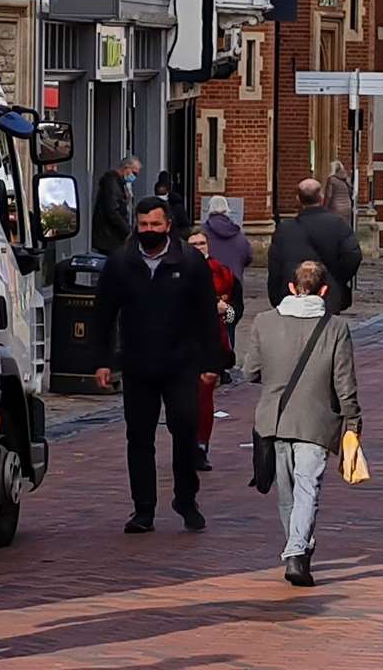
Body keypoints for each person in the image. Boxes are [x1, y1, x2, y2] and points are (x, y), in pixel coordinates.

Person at [93, 197, 223, 534]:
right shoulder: (121, 263)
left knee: (184, 430)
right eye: (143, 225)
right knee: (139, 437)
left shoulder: (190, 261)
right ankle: (143, 509)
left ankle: (185, 497)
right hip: (137, 362)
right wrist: (103, 362)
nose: (149, 231)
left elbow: (207, 315)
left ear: (168, 225)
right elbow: (104, 315)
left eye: (155, 225)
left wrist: (211, 363)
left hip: (181, 362)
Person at [243, 259, 362, 587]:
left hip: (274, 420)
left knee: (287, 492)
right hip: (317, 419)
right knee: (308, 488)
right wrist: (353, 421)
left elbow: (249, 372)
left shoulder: (264, 322)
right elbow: (344, 383)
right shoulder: (335, 328)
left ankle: (297, 548)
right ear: (324, 291)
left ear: (291, 288)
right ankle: (297, 551)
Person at [186, 229, 239, 472]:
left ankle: (200, 446)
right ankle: (185, 443)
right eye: (194, 244)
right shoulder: (177, 271)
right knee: (185, 397)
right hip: (183, 342)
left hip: (212, 342)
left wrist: (225, 310)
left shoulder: (223, 273)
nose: (199, 247)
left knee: (205, 395)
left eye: (202, 243)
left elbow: (235, 311)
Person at [268, 179, 363, 314]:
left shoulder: (285, 229)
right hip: (327, 293)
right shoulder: (337, 224)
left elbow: (275, 265)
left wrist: (275, 295)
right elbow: (353, 256)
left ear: (298, 199)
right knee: (325, 331)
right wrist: (337, 280)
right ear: (322, 197)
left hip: (291, 293)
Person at [201, 195, 253, 351]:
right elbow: (248, 257)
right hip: (232, 288)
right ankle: (227, 360)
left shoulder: (201, 234)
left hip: (206, 286)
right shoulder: (238, 236)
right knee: (229, 322)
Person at [92, 154, 140, 253]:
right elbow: (113, 210)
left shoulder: (119, 183)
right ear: (126, 168)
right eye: (134, 173)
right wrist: (127, 231)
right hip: (109, 237)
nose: (134, 177)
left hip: (111, 236)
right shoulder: (112, 182)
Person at [325, 160, 355, 227]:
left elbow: (328, 195)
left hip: (335, 207)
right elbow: (350, 192)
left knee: (334, 226)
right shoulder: (346, 178)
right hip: (347, 206)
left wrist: (324, 208)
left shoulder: (331, 179)